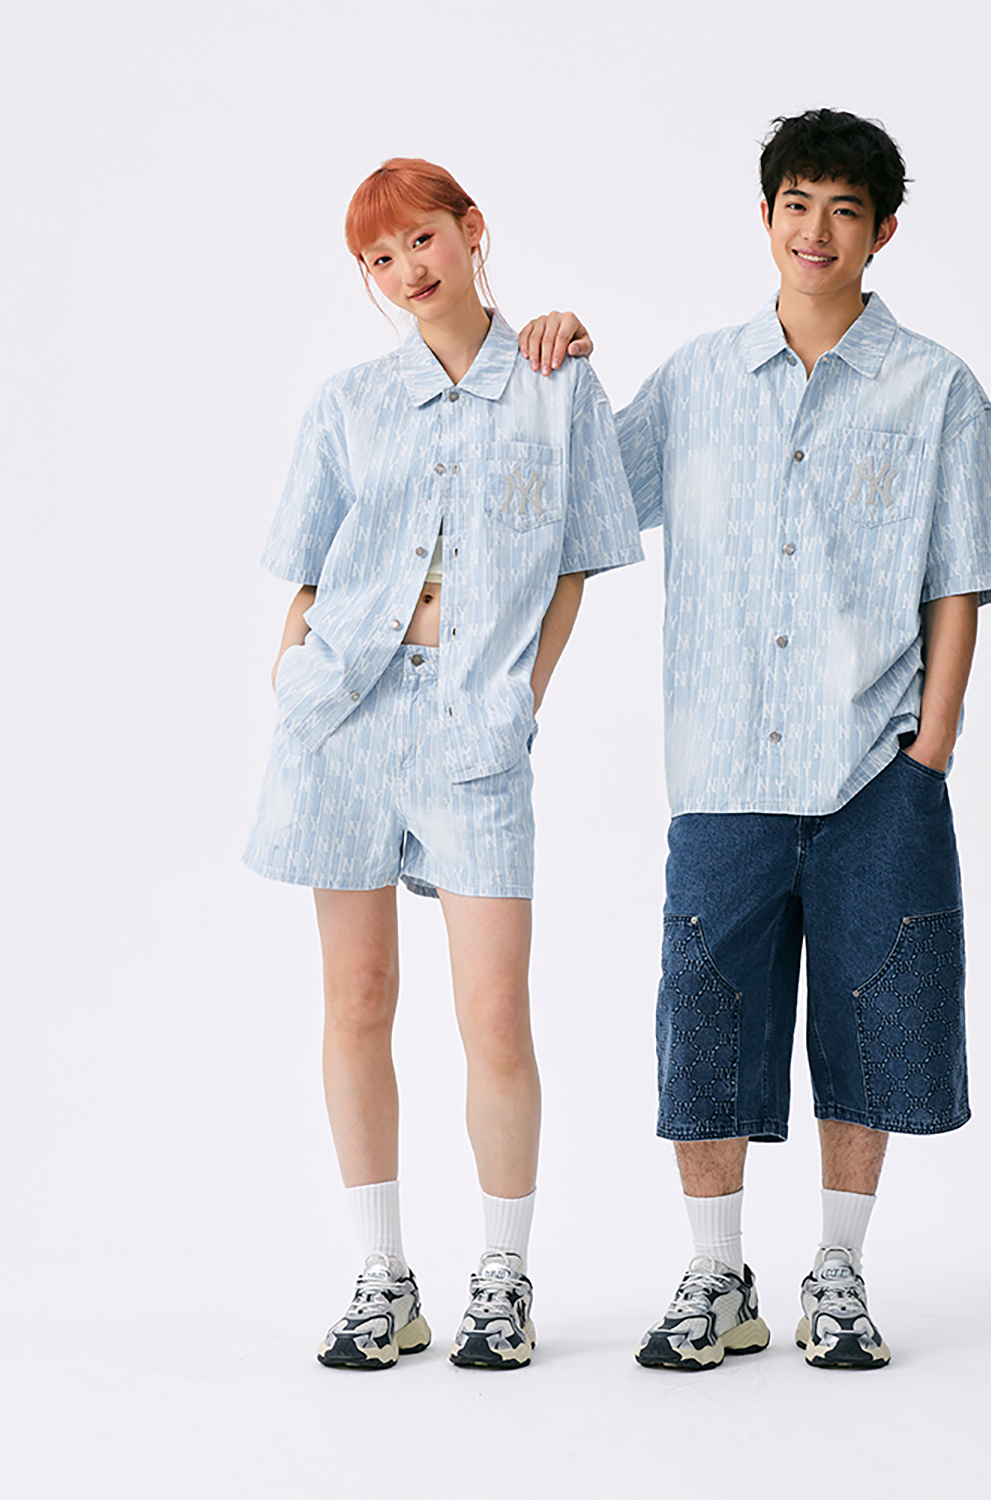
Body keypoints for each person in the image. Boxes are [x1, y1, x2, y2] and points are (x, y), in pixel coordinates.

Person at [520, 109, 991, 1369]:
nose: (817, 231)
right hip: (723, 769)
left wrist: (933, 747)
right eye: (796, 204)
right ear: (765, 218)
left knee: (877, 1016)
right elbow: (586, 497)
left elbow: (962, 575)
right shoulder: (699, 380)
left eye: (844, 210)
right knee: (705, 1017)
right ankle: (716, 1275)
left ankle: (840, 1271)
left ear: (882, 232)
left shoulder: (936, 388)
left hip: (877, 769)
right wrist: (556, 366)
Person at [244, 158, 642, 1371]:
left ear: (471, 232)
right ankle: (383, 1280)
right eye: (379, 259)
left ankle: (504, 1280)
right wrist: (293, 678)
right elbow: (307, 569)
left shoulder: (558, 385)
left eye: (421, 240)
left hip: (477, 728)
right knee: (358, 999)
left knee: (495, 1014)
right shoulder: (349, 403)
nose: (406, 271)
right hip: (343, 721)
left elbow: (578, 563)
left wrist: (521, 696)